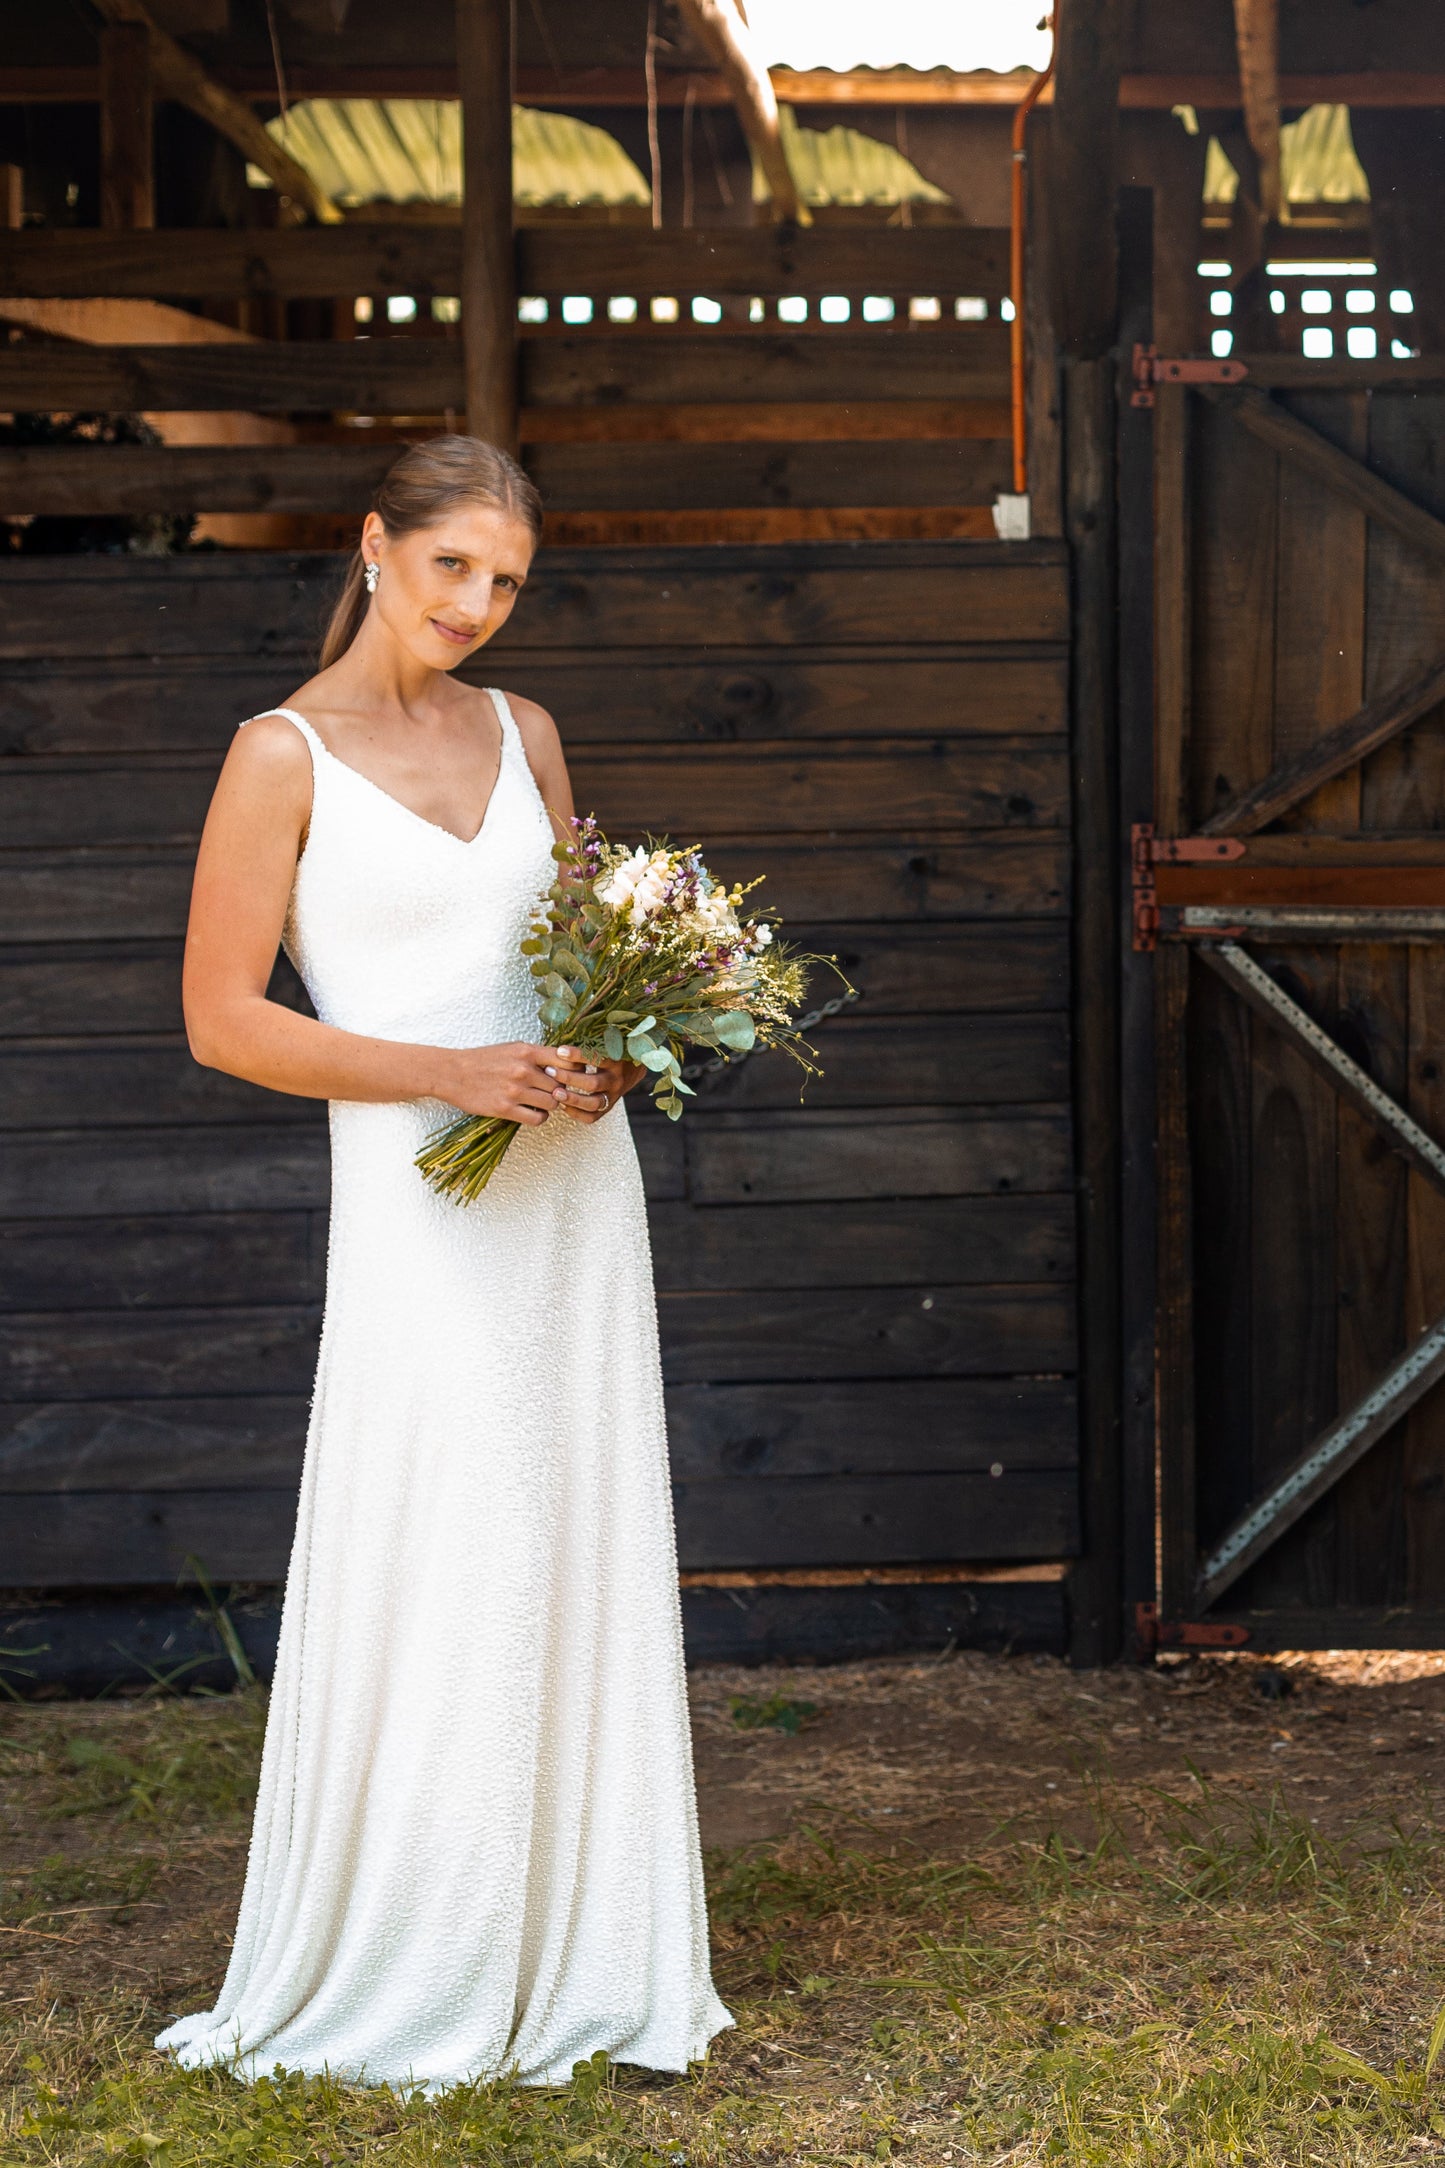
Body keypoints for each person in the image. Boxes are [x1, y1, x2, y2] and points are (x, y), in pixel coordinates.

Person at [156, 436, 733, 2090]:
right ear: (371, 549)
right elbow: (222, 1020)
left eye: (507, 582)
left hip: (568, 1188)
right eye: (451, 568)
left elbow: (565, 956)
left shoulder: (522, 731)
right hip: (423, 1204)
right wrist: (444, 1072)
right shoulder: (279, 757)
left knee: (567, 1521)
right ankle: (424, 1937)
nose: (477, 607)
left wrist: (612, 1043)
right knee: (448, 1529)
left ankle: (585, 1937)